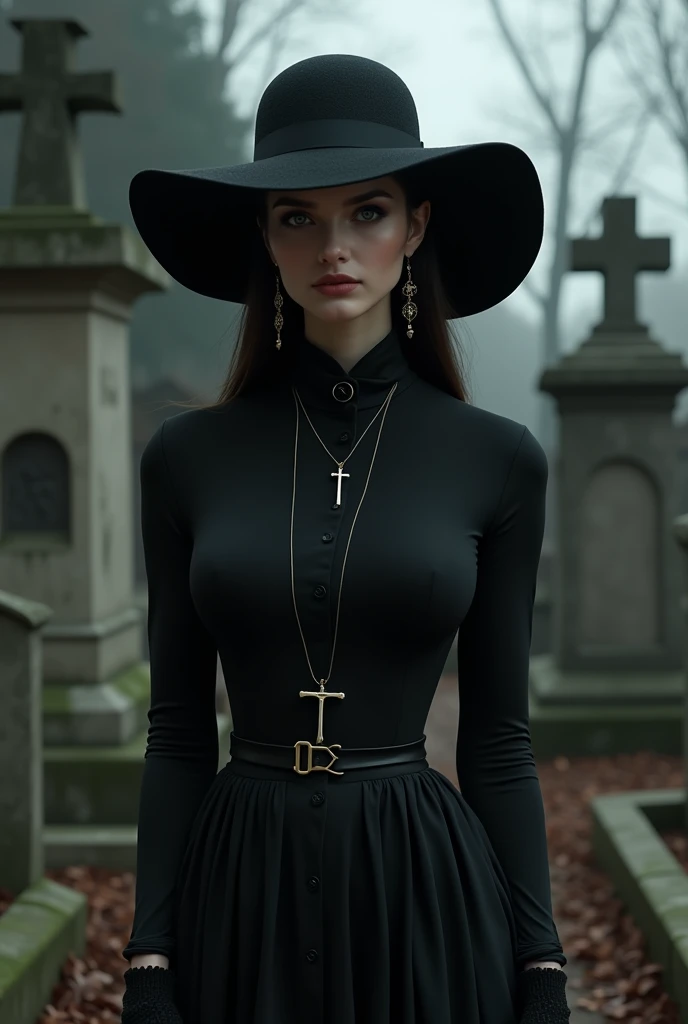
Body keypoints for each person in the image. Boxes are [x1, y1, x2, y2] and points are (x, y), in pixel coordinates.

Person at [120, 53, 571, 1024]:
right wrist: (149, 954)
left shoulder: (496, 460)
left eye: (367, 211)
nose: (335, 245)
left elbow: (497, 739)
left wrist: (541, 965)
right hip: (236, 894)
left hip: (423, 897)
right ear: (265, 237)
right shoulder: (185, 458)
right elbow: (177, 730)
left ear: (415, 227)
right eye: (297, 216)